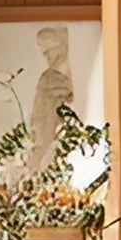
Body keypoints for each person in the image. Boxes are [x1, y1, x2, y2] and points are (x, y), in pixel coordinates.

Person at [29, 24, 75, 162]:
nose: (47, 56)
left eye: (49, 50)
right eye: (44, 52)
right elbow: (38, 108)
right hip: (45, 124)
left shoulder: (66, 73)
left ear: (60, 46)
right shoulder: (47, 77)